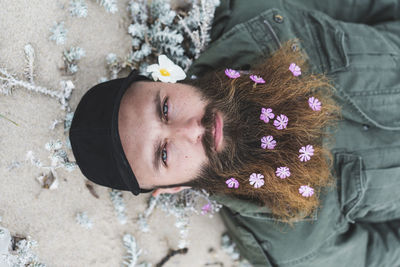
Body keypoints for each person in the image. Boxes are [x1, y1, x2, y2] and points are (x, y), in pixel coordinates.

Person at [69, 0, 400, 266]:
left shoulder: (263, 20)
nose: (191, 129)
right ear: (171, 189)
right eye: (164, 154)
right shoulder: (291, 243)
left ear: (169, 81)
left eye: (166, 108)